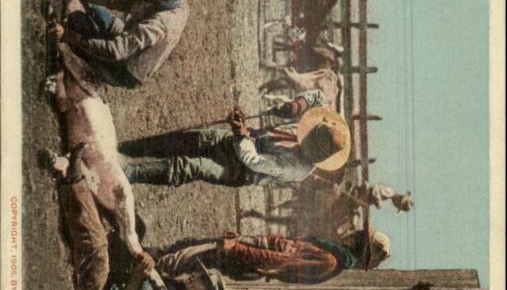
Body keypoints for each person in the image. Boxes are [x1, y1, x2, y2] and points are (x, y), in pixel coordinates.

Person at [60, 145, 227, 290]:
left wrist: (137, 276)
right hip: (112, 284)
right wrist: (143, 259)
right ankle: (84, 192)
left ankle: (74, 181)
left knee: (98, 250)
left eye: (202, 279)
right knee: (135, 226)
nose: (195, 275)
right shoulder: (174, 286)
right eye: (200, 272)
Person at [118, 92, 351, 188]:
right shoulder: (320, 124)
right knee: (191, 138)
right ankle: (127, 148)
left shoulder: (299, 168)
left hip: (238, 170)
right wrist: (295, 106)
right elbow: (318, 96)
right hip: (240, 139)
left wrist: (241, 133)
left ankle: (127, 174)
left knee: (189, 167)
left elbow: (254, 161)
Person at [52, 0, 191, 88]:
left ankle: (92, 66)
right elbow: (125, 2)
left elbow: (116, 51)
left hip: (126, 70)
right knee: (92, 15)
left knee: (76, 45)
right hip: (130, 40)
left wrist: (68, 36)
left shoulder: (159, 25)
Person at [144, 222, 391, 286]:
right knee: (195, 246)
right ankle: (146, 259)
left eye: (359, 235)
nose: (354, 231)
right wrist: (244, 239)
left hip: (250, 260)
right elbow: (283, 245)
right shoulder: (331, 253)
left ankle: (142, 267)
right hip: (252, 250)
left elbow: (278, 261)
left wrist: (238, 247)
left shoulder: (329, 260)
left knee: (189, 257)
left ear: (359, 244)